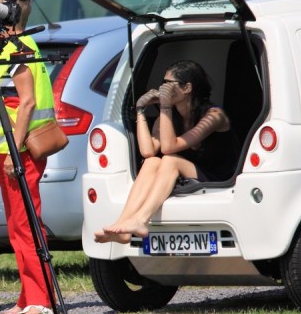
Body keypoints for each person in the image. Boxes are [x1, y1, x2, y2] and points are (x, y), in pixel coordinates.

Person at [0, 0, 58, 314]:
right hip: (12, 150)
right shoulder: (13, 47)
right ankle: (28, 297)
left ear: (8, 13)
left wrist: (12, 151)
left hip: (21, 150)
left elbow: (27, 103)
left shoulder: (19, 49)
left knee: (26, 227)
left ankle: (41, 301)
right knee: (16, 228)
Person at [94, 60, 240, 244]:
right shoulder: (169, 118)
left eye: (168, 84)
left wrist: (165, 106)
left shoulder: (214, 115)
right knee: (152, 162)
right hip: (188, 172)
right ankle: (123, 223)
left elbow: (169, 147)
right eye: (162, 83)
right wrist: (140, 110)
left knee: (170, 159)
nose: (162, 88)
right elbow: (147, 151)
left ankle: (140, 220)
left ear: (187, 88)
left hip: (219, 176)